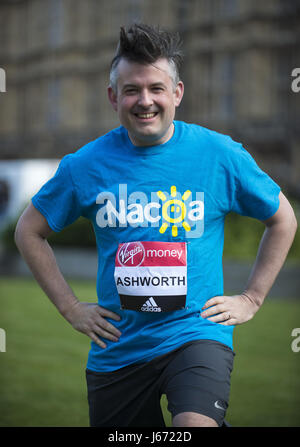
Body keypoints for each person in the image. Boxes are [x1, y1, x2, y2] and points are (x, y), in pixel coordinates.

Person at [14, 24, 297, 428]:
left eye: (156, 88)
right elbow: (29, 230)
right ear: (114, 97)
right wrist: (71, 308)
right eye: (132, 89)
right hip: (118, 348)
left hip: (196, 336)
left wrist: (251, 298)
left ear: (177, 94)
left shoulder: (218, 154)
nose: (144, 100)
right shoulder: (85, 165)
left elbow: (283, 217)